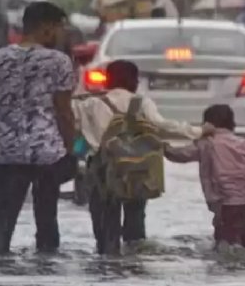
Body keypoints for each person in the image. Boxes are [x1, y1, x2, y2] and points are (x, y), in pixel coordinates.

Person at [0, 2, 76, 256]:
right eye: (60, 27)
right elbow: (63, 111)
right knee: (47, 220)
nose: (62, 34)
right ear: (47, 28)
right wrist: (71, 148)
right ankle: (45, 273)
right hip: (47, 153)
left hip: (3, 153)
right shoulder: (59, 62)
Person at [73, 60, 204, 255]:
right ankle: (134, 260)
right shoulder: (141, 102)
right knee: (135, 217)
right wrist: (198, 131)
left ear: (107, 79)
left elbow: (74, 128)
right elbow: (162, 125)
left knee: (104, 217)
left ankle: (107, 257)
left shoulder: (90, 104)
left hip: (101, 168)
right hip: (136, 168)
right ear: (135, 81)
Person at [164, 105, 245, 254]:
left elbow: (179, 155)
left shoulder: (205, 144)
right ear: (232, 123)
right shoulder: (240, 142)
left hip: (226, 203)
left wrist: (163, 148)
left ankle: (230, 269)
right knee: (243, 234)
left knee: (224, 241)